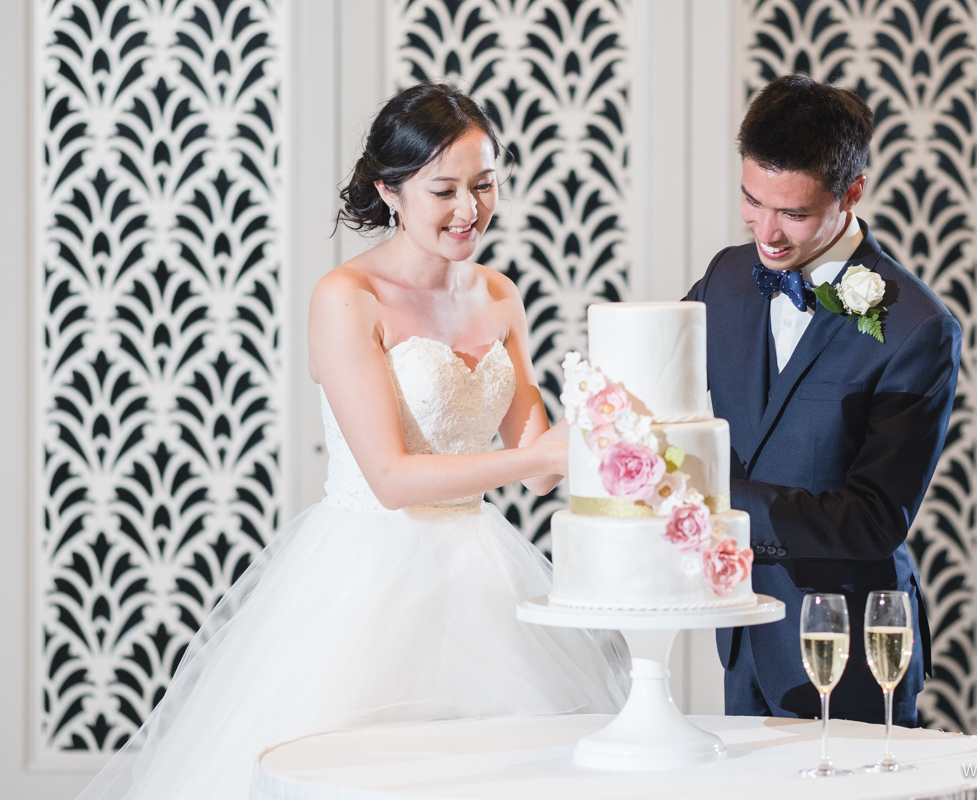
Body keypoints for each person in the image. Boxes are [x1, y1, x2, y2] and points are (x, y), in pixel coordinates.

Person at [77, 82, 626, 800]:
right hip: (368, 573)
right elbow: (390, 480)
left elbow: (543, 466)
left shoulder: (498, 294)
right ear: (389, 190)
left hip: (484, 572)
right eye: (444, 190)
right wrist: (541, 456)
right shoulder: (346, 297)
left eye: (485, 184)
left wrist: (612, 423)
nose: (470, 210)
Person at [685, 73, 961, 725]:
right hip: (743, 633)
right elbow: (654, 380)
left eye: (794, 213)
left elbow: (873, 518)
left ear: (853, 192)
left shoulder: (915, 326)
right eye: (753, 201)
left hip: (851, 639)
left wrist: (716, 498)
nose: (767, 232)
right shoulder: (727, 277)